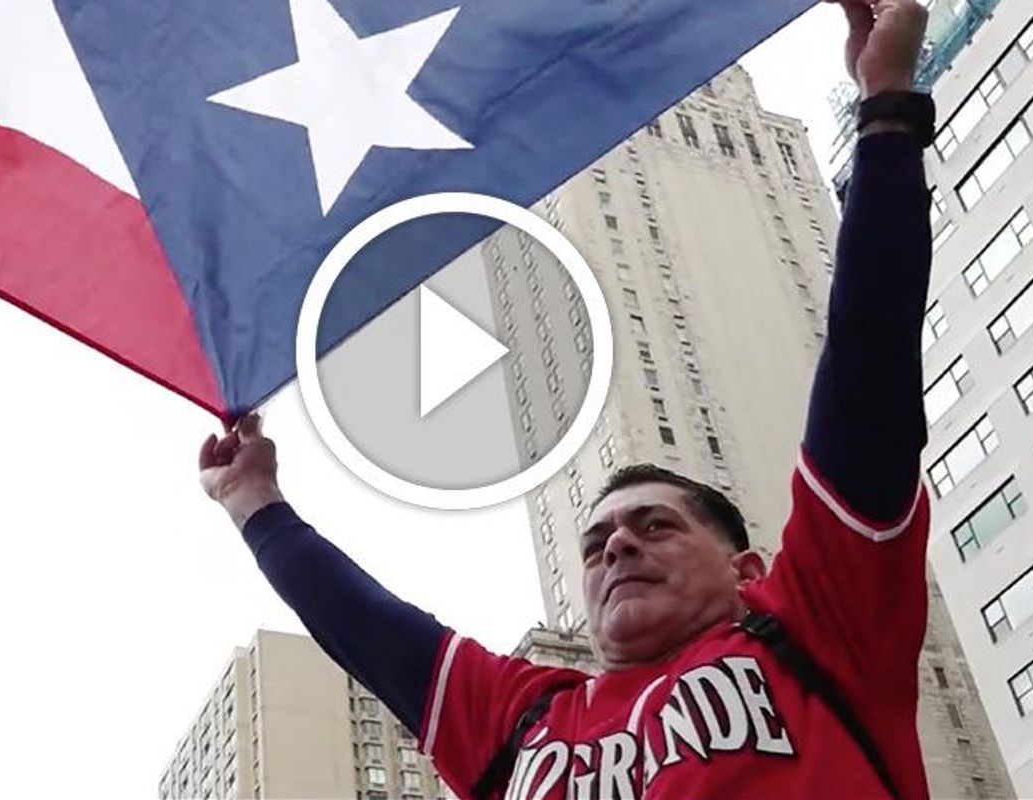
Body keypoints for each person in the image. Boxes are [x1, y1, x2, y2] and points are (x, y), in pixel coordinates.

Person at [199, 0, 935, 796]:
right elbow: (373, 629)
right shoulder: (521, 721)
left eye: (654, 526)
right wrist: (254, 500)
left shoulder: (814, 626)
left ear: (747, 569)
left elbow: (869, 371)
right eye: (595, 544)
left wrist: (887, 105)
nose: (616, 547)